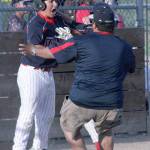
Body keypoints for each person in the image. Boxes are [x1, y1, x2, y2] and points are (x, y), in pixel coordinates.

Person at [19, 2, 135, 150]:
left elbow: (51, 52)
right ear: (114, 24)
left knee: (70, 129)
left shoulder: (81, 41)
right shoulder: (124, 46)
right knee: (106, 132)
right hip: (111, 102)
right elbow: (131, 68)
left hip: (82, 100)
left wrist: (33, 50)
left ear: (93, 24)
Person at [12, 0, 78, 150]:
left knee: (46, 117)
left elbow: (73, 32)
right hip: (31, 72)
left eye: (56, 1)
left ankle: (40, 147)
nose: (54, 5)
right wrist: (62, 48)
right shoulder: (36, 23)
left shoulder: (59, 20)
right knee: (28, 116)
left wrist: (76, 26)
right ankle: (18, 148)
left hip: (48, 73)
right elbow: (35, 47)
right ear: (39, 4)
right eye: (50, 1)